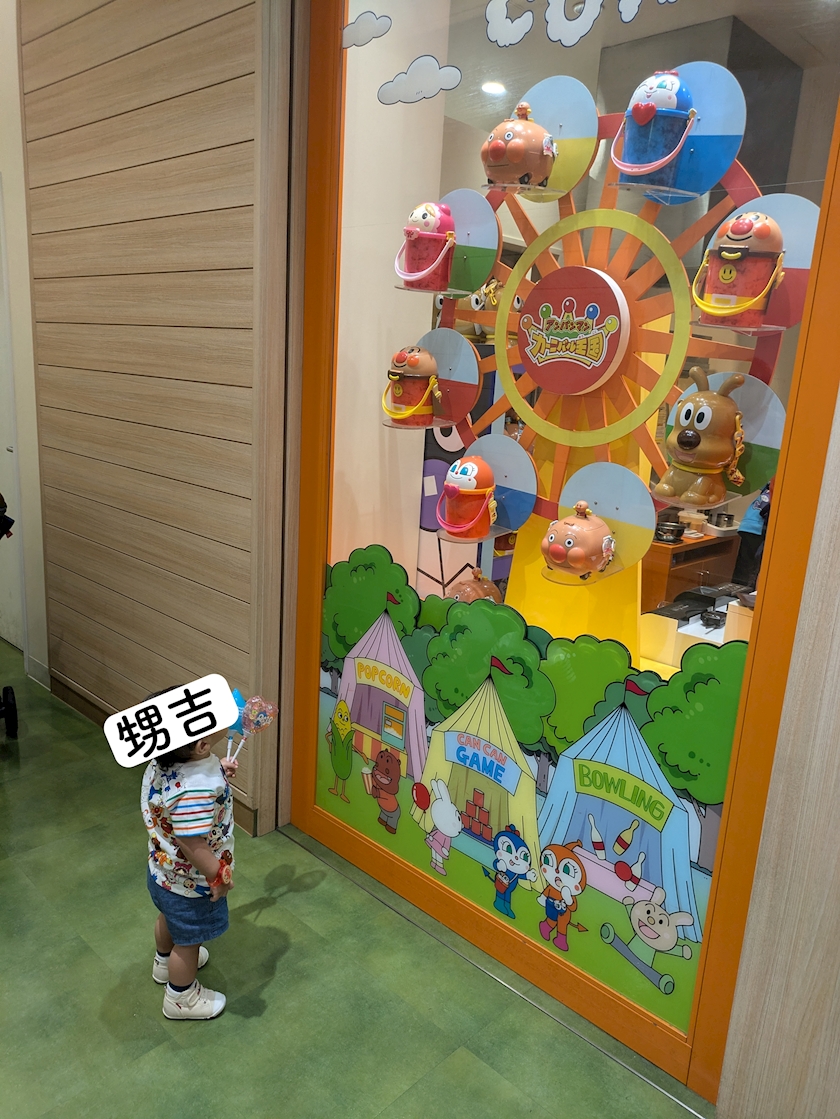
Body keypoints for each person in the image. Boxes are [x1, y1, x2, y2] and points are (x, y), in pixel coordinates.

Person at [141, 690, 239, 1020]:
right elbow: (191, 840)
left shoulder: (165, 759)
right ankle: (180, 998)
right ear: (201, 745)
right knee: (190, 941)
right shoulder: (196, 789)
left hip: (163, 872)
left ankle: (163, 963)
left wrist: (216, 769)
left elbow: (180, 788)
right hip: (191, 881)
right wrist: (217, 875)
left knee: (169, 917)